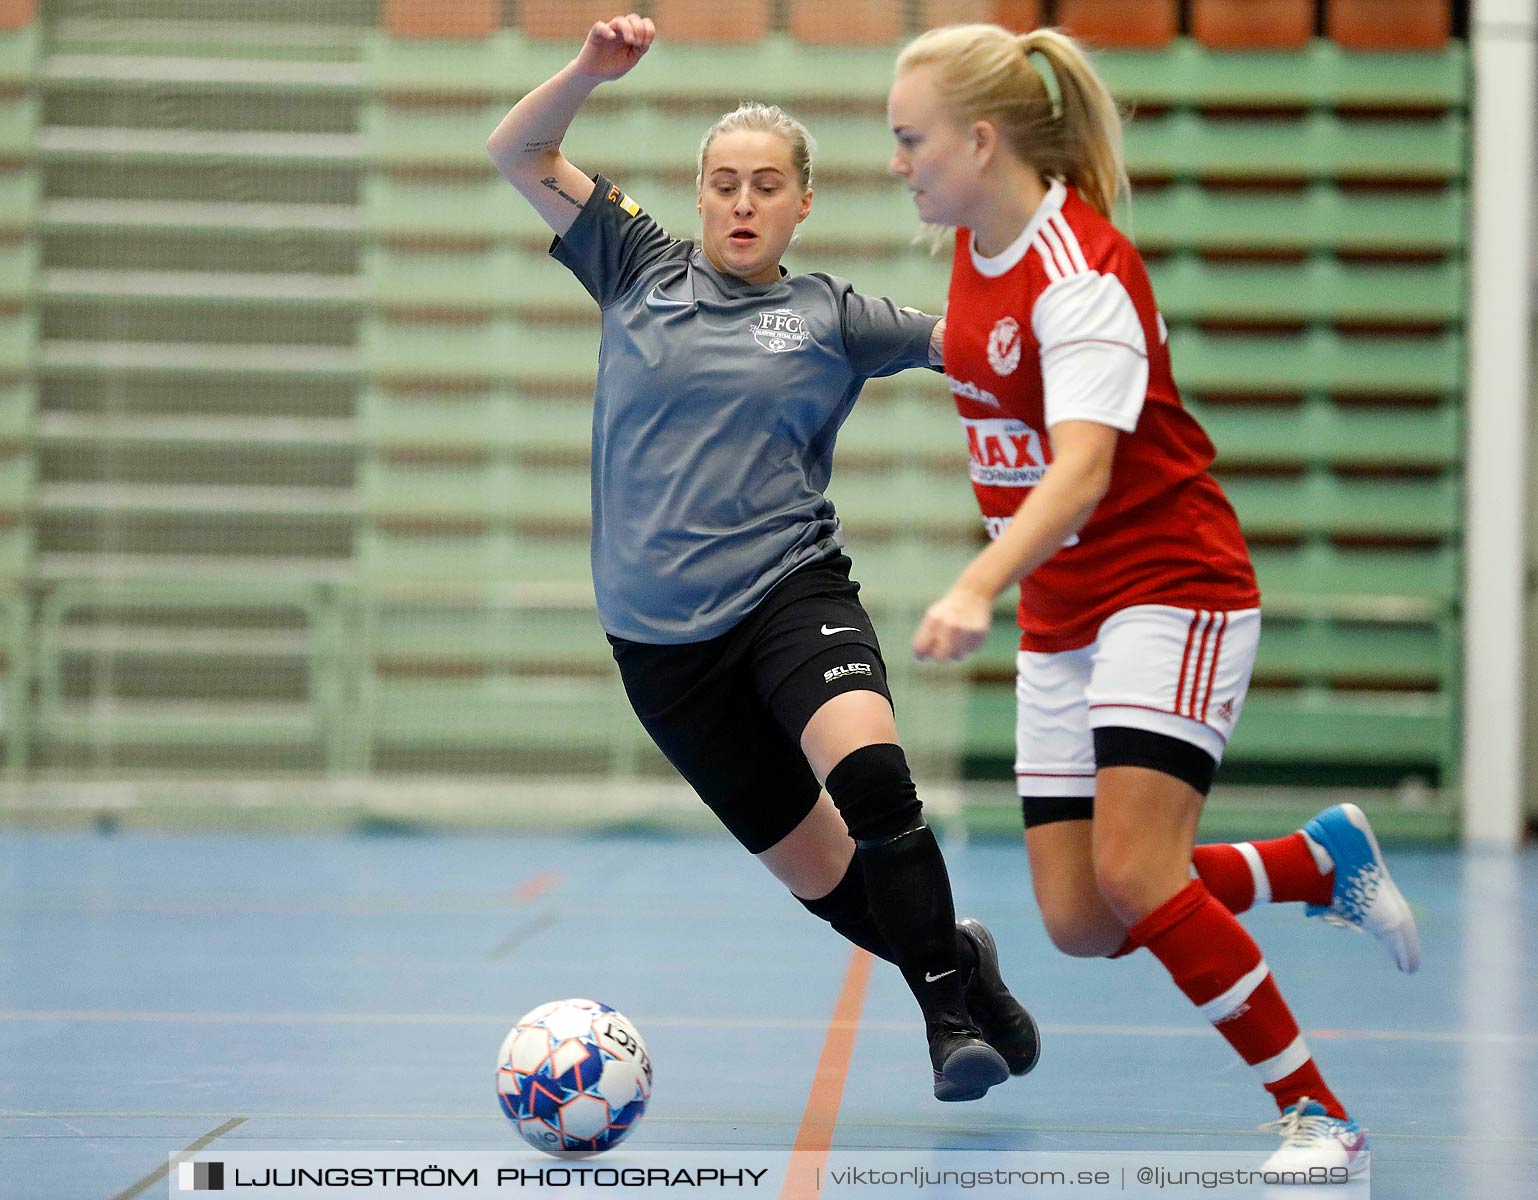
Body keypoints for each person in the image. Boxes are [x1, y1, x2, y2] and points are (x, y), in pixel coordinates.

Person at [885, 22, 1421, 1171]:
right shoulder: (972, 259)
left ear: (978, 141)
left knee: (1135, 873)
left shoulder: (1080, 274)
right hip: (1065, 612)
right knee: (1082, 919)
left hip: (1166, 587)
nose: (899, 164)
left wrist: (977, 582)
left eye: (910, 140)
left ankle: (1316, 1110)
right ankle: (1311, 863)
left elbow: (1080, 468)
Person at [486, 13, 1038, 1102]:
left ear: (801, 202)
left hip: (790, 597)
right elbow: (516, 152)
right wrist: (589, 73)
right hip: (661, 651)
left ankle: (942, 1023)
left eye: (766, 185)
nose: (743, 203)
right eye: (725, 183)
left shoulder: (830, 315)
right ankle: (960, 959)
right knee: (831, 882)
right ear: (698, 198)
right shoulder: (634, 262)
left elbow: (965, 342)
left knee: (874, 781)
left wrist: (1055, 318)